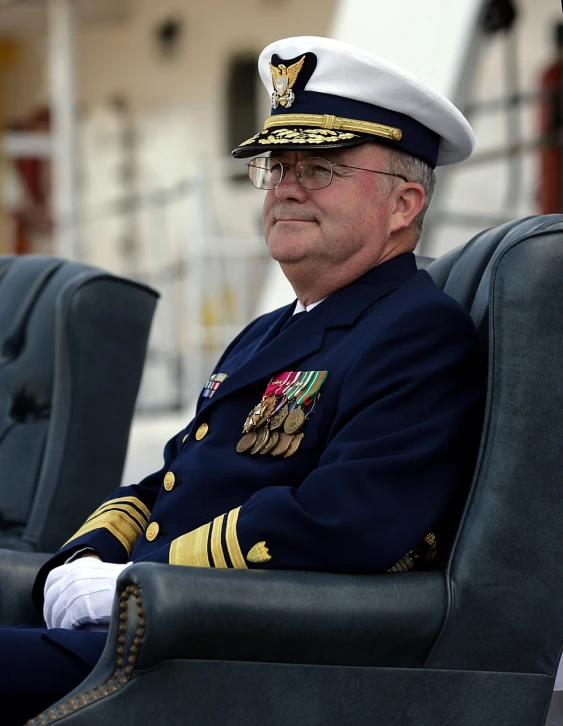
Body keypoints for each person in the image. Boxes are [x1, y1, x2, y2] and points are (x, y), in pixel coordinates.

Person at [1, 36, 484, 724]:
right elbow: (170, 478)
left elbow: (343, 522)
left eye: (319, 167)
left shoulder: (416, 334)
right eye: (278, 164)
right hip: (155, 632)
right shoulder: (269, 332)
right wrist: (84, 558)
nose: (285, 184)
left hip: (225, 655)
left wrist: (137, 581)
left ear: (404, 204)